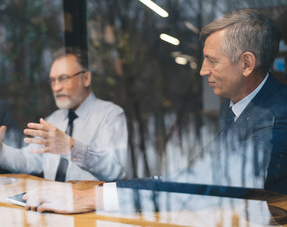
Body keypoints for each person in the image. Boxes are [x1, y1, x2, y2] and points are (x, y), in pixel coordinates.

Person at [21, 8, 287, 214]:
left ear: (247, 64)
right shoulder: (236, 100)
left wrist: (91, 198)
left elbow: (208, 182)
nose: (202, 70)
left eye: (212, 61)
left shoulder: (277, 116)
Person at [0, 47, 128, 181]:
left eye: (63, 79)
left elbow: (115, 170)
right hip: (51, 205)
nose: (56, 88)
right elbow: (30, 160)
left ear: (86, 78)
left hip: (89, 210)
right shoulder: (53, 120)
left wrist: (73, 148)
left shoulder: (111, 115)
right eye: (52, 81)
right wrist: (0, 150)